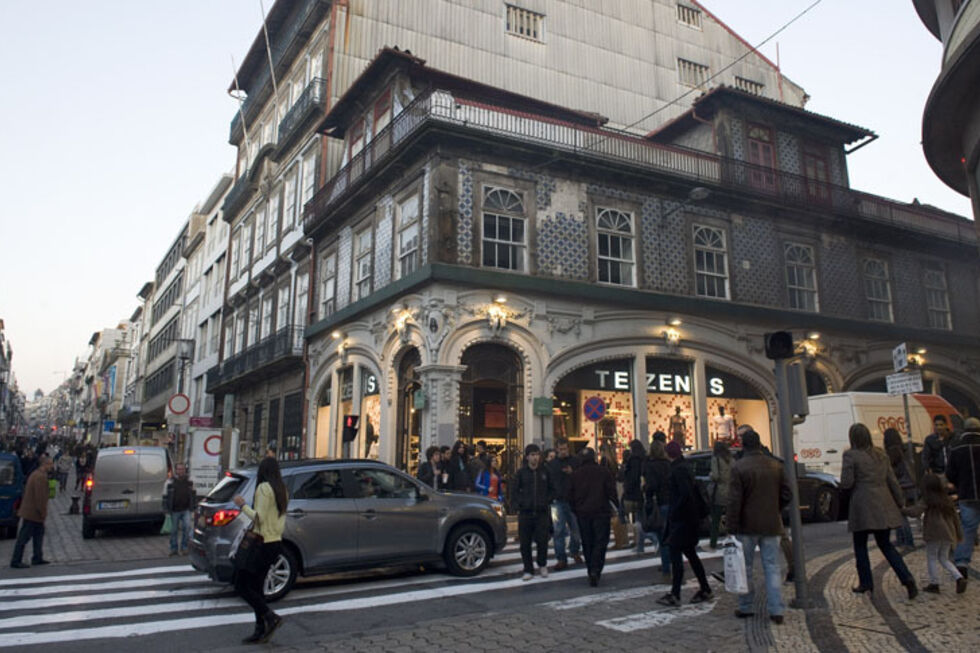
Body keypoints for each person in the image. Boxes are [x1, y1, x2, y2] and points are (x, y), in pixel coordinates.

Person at [841, 423, 917, 598]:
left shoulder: (850, 455)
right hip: (884, 504)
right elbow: (892, 481)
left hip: (862, 505)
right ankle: (907, 578)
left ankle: (866, 582)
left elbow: (847, 482)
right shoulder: (881, 454)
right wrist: (900, 502)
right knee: (886, 544)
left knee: (860, 545)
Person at [728, 429, 791, 624]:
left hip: (747, 525)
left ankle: (746, 606)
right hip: (771, 522)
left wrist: (731, 526)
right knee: (772, 566)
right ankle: (776, 609)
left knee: (746, 567)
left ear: (743, 445)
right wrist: (775, 508)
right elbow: (787, 494)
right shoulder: (776, 465)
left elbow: (734, 501)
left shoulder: (739, 467)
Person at [232, 457, 287, 644]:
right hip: (275, 542)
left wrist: (242, 505)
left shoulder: (264, 488)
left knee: (241, 584)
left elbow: (259, 517)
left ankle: (270, 617)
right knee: (257, 586)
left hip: (261, 542)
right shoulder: (282, 489)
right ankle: (260, 628)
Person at [656, 441, 712, 607]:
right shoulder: (685, 467)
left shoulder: (678, 470)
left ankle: (676, 594)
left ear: (668, 454)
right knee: (690, 554)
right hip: (688, 518)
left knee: (676, 555)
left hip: (682, 520)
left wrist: (674, 512)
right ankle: (704, 588)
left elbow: (684, 494)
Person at [905, 473, 966, 594]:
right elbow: (956, 519)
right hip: (948, 534)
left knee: (932, 557)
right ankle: (959, 577)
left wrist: (903, 510)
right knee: (944, 558)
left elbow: (916, 511)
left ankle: (934, 583)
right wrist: (958, 534)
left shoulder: (927, 500)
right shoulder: (946, 499)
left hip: (934, 533)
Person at [569, 447, 618, 586]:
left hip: (583, 513)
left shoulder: (575, 475)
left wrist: (575, 509)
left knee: (587, 541)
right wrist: (615, 506)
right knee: (600, 541)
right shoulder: (604, 472)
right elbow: (611, 491)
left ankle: (591, 568)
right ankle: (596, 569)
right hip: (601, 511)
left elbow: (570, 495)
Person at [947, 416, 980, 581]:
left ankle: (961, 563)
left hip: (966, 494)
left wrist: (959, 484)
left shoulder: (956, 448)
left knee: (967, 530)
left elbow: (950, 473)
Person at [513, 444, 553, 580]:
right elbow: (515, 491)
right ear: (527, 457)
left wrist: (546, 501)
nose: (535, 457)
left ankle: (542, 564)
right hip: (526, 513)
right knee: (525, 543)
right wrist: (520, 504)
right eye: (532, 455)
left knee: (542, 541)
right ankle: (528, 569)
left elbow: (552, 489)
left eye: (537, 454)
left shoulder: (545, 472)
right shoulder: (521, 473)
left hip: (542, 512)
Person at [10, 454, 54, 568]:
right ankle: (16, 560)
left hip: (32, 512)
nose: (52, 467)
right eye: (50, 464)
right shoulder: (40, 477)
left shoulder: (36, 474)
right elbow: (40, 497)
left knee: (38, 535)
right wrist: (42, 512)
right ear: (45, 464)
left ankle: (37, 557)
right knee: (24, 537)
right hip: (33, 513)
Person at [548, 438, 583, 571]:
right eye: (560, 449)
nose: (563, 451)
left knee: (576, 529)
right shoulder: (552, 465)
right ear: (557, 449)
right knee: (558, 530)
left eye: (565, 449)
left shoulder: (575, 462)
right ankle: (561, 558)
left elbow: (581, 477)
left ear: (568, 448)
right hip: (557, 501)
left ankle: (574, 550)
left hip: (573, 500)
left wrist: (572, 472)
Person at [883, 427, 915, 549]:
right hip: (909, 485)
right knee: (901, 514)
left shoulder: (892, 453)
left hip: (901, 486)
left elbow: (892, 472)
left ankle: (906, 540)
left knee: (901, 515)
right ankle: (902, 539)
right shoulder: (903, 449)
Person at [643, 440, 672, 577]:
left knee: (663, 537)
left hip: (660, 503)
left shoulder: (651, 466)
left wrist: (646, 490)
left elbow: (652, 485)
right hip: (671, 502)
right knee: (671, 535)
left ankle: (666, 568)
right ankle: (673, 563)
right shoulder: (669, 464)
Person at [621, 439, 647, 553]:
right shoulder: (644, 458)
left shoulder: (633, 460)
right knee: (640, 519)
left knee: (638, 520)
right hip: (642, 493)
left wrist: (627, 490)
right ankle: (640, 543)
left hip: (634, 493)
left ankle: (645, 541)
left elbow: (632, 478)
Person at [165, 463, 195, 556]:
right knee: (174, 530)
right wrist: (166, 509)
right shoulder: (170, 482)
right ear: (176, 470)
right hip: (174, 510)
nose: (181, 471)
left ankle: (184, 548)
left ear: (185, 470)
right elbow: (165, 496)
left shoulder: (190, 481)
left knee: (187, 528)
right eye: (179, 469)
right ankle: (174, 548)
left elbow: (193, 495)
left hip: (186, 509)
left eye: (182, 469)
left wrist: (193, 507)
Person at [709, 440, 732, 549]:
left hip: (719, 491)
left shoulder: (716, 459)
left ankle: (713, 543)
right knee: (731, 518)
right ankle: (732, 539)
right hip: (731, 491)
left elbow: (716, 476)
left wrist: (710, 475)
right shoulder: (731, 459)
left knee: (716, 519)